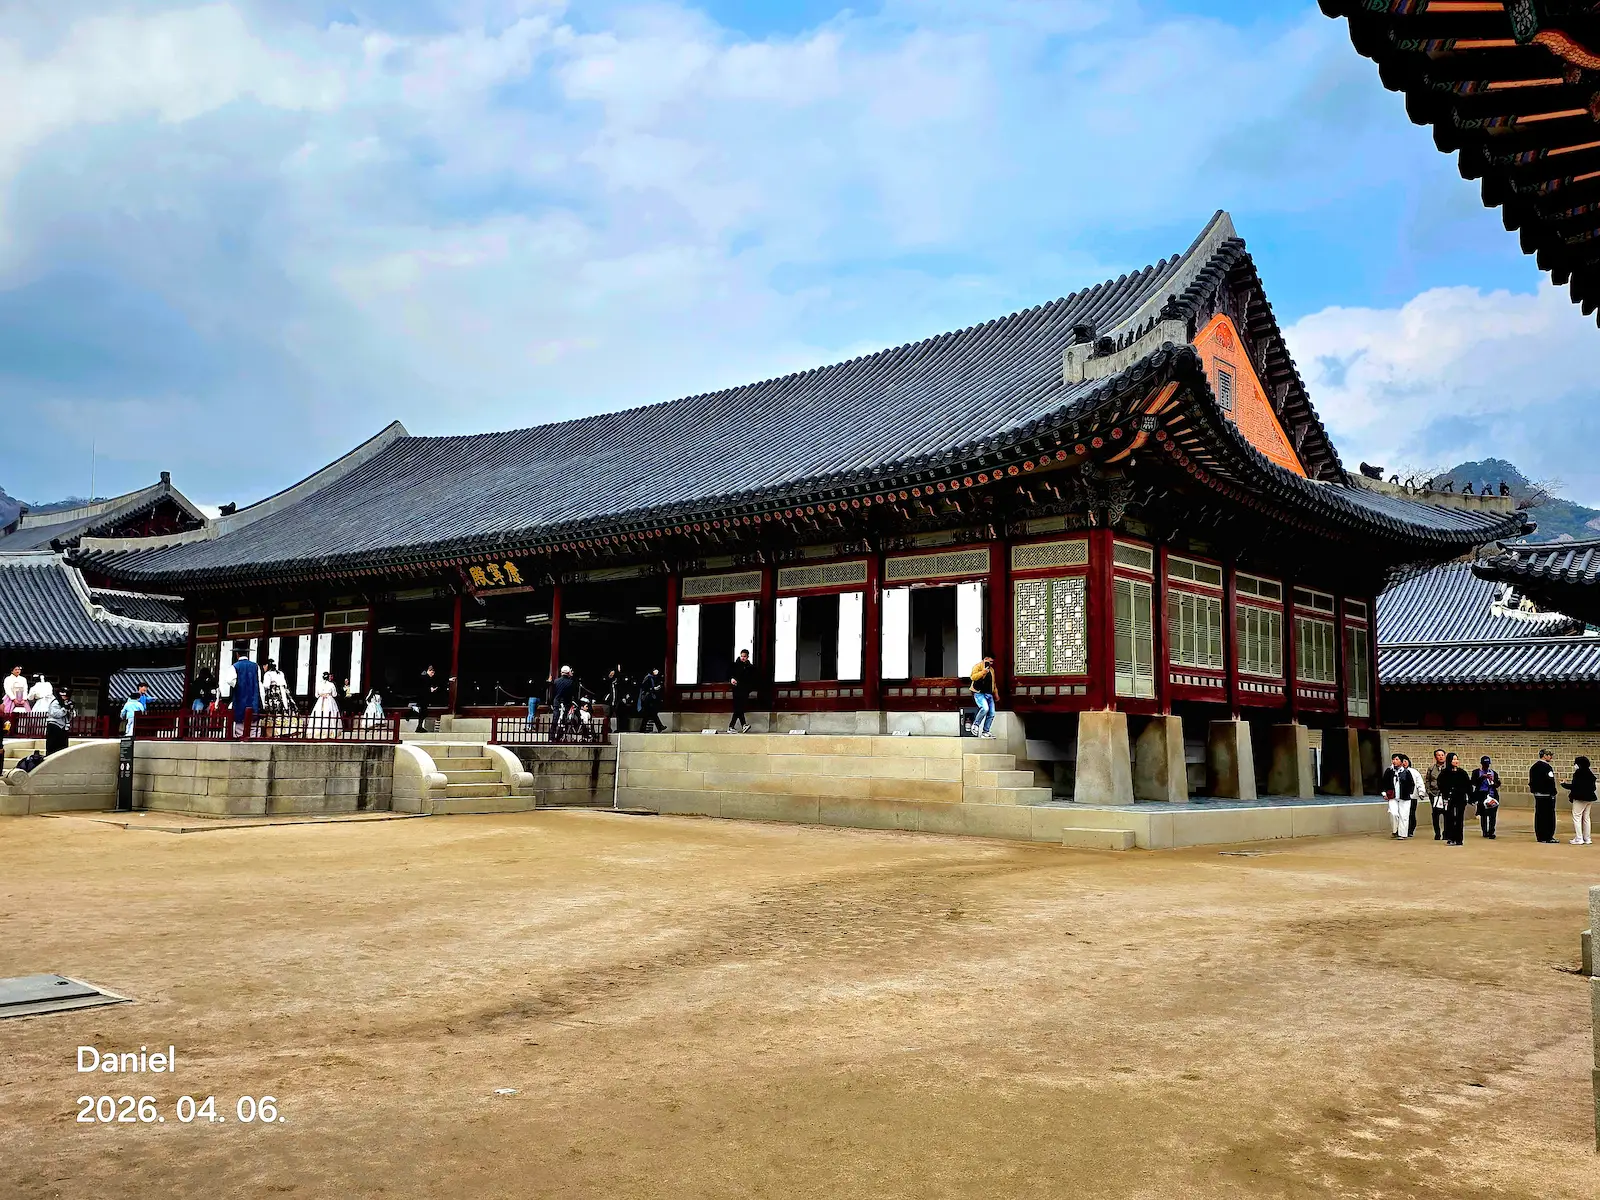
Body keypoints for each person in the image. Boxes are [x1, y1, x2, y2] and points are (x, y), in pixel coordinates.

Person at [1561, 755, 1595, 846]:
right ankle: (1587, 838)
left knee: (1577, 817)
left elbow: (1574, 786)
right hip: (1590, 798)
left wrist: (1564, 784)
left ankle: (1579, 838)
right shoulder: (1590, 773)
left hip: (1580, 798)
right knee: (1586, 818)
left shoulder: (1578, 773)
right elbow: (1593, 787)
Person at [1438, 752, 1471, 846]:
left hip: (1460, 799)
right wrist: (1446, 793)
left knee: (1459, 818)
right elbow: (1441, 784)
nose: (1456, 761)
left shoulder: (1462, 772)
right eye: (1454, 759)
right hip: (1449, 799)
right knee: (1450, 818)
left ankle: (1459, 839)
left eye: (1457, 759)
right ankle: (1451, 838)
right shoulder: (1445, 773)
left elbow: (1468, 786)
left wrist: (1470, 797)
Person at [1382, 753, 1415, 839]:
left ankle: (1402, 834)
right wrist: (1384, 793)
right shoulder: (1389, 771)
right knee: (1393, 813)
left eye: (1397, 759)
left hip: (1404, 797)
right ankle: (1395, 830)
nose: (1394, 761)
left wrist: (1409, 793)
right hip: (1392, 797)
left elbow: (1411, 784)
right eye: (1393, 759)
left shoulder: (1406, 772)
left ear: (1401, 761)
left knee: (1404, 816)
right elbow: (1383, 783)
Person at [1529, 749, 1559, 844]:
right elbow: (1550, 781)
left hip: (1538, 795)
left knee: (1539, 815)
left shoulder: (1533, 767)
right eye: (1549, 755)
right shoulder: (1547, 767)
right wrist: (1553, 792)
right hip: (1547, 795)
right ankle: (1548, 836)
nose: (1550, 757)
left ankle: (1540, 836)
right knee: (1549, 817)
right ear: (1544, 756)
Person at [230, 648, 261, 737]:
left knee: (240, 730)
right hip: (253, 701)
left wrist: (238, 684)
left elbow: (230, 680)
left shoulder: (235, 666)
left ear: (237, 654)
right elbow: (259, 682)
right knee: (254, 730)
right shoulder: (255, 666)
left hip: (240, 700)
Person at [1470, 755, 1501, 839]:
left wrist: (1493, 782)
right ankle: (1484, 831)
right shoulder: (1476, 772)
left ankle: (1491, 832)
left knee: (1492, 815)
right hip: (1481, 795)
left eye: (1487, 764)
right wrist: (1482, 778)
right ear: (1481, 764)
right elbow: (1473, 782)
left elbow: (1498, 784)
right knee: (1483, 814)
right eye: (1484, 764)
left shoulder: (1493, 773)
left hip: (1492, 795)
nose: (1486, 766)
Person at [969, 656, 998, 739]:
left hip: (989, 694)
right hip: (979, 693)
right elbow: (973, 677)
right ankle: (975, 724)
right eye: (990, 661)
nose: (991, 663)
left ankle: (986, 731)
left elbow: (994, 683)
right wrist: (983, 672)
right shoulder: (977, 667)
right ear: (985, 659)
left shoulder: (992, 670)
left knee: (991, 713)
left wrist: (996, 694)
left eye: (992, 662)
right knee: (985, 708)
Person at [729, 649, 755, 733]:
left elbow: (752, 679)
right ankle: (735, 726)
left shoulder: (750, 667)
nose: (743, 658)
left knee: (739, 708)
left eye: (744, 656)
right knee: (738, 707)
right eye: (742, 656)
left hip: (744, 689)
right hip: (737, 689)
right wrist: (732, 679)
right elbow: (730, 674)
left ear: (747, 657)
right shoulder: (735, 665)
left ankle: (737, 726)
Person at [1424, 748, 1448, 841]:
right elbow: (1427, 780)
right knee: (1435, 814)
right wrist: (1429, 791)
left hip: (1445, 794)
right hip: (1434, 794)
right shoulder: (1431, 768)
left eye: (1442, 755)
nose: (1441, 757)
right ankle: (1437, 833)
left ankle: (1446, 833)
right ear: (1435, 757)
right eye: (1438, 755)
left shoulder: (1448, 768)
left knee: (1446, 814)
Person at [551, 666, 579, 738]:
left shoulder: (556, 681)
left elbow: (553, 693)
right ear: (568, 672)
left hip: (557, 702)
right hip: (566, 702)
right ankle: (561, 736)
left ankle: (551, 736)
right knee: (564, 719)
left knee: (555, 718)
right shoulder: (571, 682)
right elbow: (573, 693)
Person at [43, 688, 72, 756]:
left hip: (63, 727)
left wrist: (70, 710)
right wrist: (64, 709)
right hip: (54, 726)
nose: (66, 698)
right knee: (53, 748)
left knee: (63, 749)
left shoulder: (66, 703)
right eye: (64, 696)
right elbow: (56, 714)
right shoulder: (55, 702)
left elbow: (70, 717)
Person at [636, 668, 665, 733]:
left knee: (649, 714)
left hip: (649, 698)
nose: (656, 672)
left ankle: (658, 727)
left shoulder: (652, 678)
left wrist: (655, 688)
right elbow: (643, 687)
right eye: (655, 671)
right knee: (652, 713)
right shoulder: (648, 677)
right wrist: (653, 688)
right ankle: (660, 727)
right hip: (646, 698)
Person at [416, 665, 438, 733]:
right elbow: (422, 688)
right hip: (422, 698)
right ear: (430, 671)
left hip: (423, 698)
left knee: (423, 712)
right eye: (432, 673)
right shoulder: (425, 677)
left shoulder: (424, 677)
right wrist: (430, 689)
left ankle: (419, 726)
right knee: (423, 712)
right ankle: (419, 727)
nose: (433, 675)